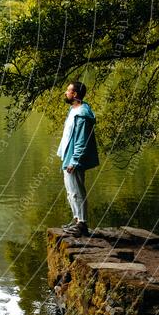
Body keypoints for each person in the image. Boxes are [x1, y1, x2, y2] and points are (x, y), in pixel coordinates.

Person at [57, 81, 99, 237]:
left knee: (77, 190)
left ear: (75, 94)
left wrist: (75, 161)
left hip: (74, 158)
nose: (65, 93)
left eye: (68, 90)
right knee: (70, 191)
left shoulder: (81, 114)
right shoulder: (73, 110)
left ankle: (82, 224)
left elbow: (81, 140)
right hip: (68, 156)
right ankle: (76, 220)